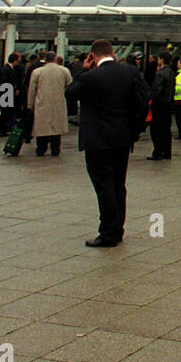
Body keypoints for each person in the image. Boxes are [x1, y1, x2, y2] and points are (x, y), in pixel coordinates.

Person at [65, 39, 148, 247]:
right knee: (119, 185)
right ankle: (117, 228)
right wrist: (134, 131)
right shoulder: (130, 73)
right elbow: (142, 102)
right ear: (112, 52)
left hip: (97, 140)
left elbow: (70, 93)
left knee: (104, 186)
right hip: (122, 139)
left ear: (92, 56)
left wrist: (83, 70)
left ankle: (108, 232)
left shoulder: (90, 77)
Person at [27, 54, 72, 156]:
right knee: (56, 128)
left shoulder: (37, 72)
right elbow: (70, 85)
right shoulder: (64, 71)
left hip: (42, 103)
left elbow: (32, 90)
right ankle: (55, 149)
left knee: (42, 128)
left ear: (45, 60)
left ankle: (41, 149)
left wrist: (30, 105)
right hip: (58, 103)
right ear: (56, 60)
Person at [147, 52, 174, 160]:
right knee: (166, 129)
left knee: (156, 129)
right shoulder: (171, 72)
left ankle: (157, 151)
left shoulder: (160, 73)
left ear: (161, 60)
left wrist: (151, 98)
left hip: (159, 105)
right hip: (168, 104)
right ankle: (167, 152)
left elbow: (157, 91)